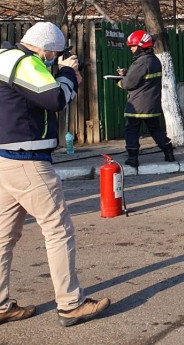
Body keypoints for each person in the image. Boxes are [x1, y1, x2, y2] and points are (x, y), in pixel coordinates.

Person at [0, 21, 110, 327]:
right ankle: (70, 304)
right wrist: (66, 74)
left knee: (3, 237)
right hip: (28, 161)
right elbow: (55, 100)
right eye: (54, 53)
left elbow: (28, 96)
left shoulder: (5, 59)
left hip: (5, 159)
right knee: (58, 229)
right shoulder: (24, 62)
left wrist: (56, 72)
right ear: (46, 49)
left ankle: (0, 305)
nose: (54, 58)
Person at [117, 30, 175, 167]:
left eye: (133, 46)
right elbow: (143, 78)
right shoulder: (154, 60)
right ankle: (169, 152)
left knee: (131, 130)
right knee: (156, 130)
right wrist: (128, 72)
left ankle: (132, 158)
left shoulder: (141, 62)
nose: (131, 49)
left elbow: (129, 83)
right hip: (152, 104)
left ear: (142, 45)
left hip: (137, 105)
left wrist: (119, 80)